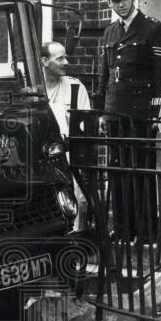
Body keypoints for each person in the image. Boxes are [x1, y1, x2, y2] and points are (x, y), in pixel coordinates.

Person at [95, 0, 161, 241]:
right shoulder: (110, 32)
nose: (120, 5)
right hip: (115, 113)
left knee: (141, 171)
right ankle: (124, 230)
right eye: (114, 1)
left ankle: (146, 232)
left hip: (140, 115)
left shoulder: (153, 29)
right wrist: (102, 111)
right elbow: (104, 75)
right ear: (109, 1)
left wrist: (156, 114)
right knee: (118, 171)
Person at [41, 41, 91, 231]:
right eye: (60, 58)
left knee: (77, 201)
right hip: (42, 158)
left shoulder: (75, 88)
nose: (66, 62)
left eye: (66, 57)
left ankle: (75, 244)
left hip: (70, 158)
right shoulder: (32, 90)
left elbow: (86, 128)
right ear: (45, 61)